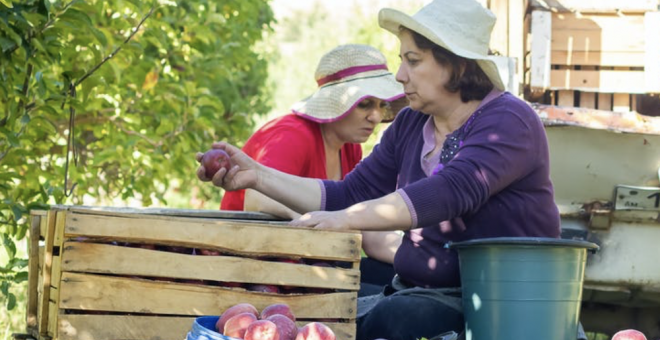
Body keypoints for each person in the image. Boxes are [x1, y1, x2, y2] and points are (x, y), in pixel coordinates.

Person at [196, 0, 561, 339]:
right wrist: (258, 176)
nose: (400, 75)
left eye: (413, 60)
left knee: (399, 315)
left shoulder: (509, 121)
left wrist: (346, 219)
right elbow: (350, 193)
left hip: (503, 302)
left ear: (457, 65)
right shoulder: (410, 124)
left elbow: (451, 191)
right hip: (417, 286)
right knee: (331, 298)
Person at [219, 44, 405, 293]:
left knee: (403, 283)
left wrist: (426, 261)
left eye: (381, 105)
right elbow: (259, 201)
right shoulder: (292, 135)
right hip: (252, 268)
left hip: (309, 263)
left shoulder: (349, 148)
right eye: (365, 104)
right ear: (335, 103)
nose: (375, 116)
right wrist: (332, 222)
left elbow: (368, 231)